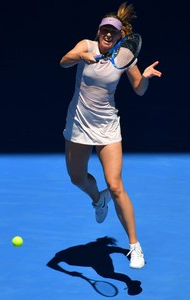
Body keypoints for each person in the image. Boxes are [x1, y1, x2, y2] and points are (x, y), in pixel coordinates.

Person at [60, 2, 162, 269]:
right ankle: (97, 199)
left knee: (115, 186)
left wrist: (147, 76)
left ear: (120, 36)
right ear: (99, 31)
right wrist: (81, 57)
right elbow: (63, 62)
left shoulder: (126, 56)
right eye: (105, 30)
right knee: (77, 177)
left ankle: (134, 246)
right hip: (78, 125)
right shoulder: (86, 46)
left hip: (107, 127)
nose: (108, 34)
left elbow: (139, 89)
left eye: (113, 32)